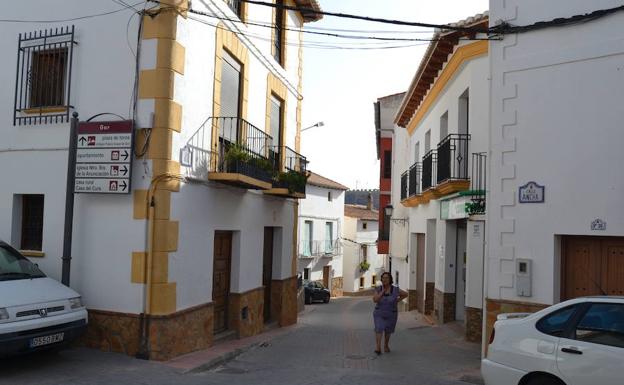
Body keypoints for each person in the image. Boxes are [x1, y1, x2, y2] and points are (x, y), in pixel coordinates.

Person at [372, 272, 408, 355]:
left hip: (391, 313)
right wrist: (382, 292)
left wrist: (397, 301)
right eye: (383, 278)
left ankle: (386, 345)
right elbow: (375, 300)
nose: (384, 279)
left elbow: (406, 294)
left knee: (388, 330)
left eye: (387, 278)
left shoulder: (395, 289)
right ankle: (378, 348)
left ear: (390, 279)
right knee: (379, 328)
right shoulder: (378, 289)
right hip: (379, 313)